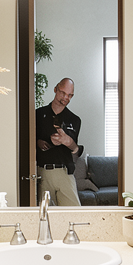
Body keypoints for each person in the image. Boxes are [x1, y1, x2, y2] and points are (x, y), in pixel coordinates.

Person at [35, 78, 82, 207]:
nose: (66, 97)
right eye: (63, 93)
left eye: (70, 95)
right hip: (42, 172)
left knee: (74, 213)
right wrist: (38, 142)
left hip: (65, 172)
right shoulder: (38, 114)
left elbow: (75, 149)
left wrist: (68, 141)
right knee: (44, 214)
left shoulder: (75, 120)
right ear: (55, 89)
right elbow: (27, 140)